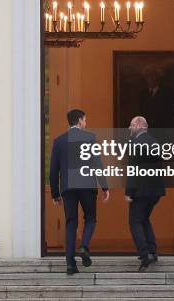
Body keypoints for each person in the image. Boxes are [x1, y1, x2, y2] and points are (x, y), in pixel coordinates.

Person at [49, 109, 109, 275]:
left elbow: (53, 170)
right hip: (87, 185)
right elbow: (97, 163)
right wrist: (104, 186)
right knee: (90, 218)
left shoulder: (59, 141)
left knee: (71, 223)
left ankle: (70, 264)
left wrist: (55, 193)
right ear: (80, 120)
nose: (85, 122)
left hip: (68, 188)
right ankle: (83, 246)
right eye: (85, 119)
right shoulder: (89, 138)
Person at [125, 116, 165, 272]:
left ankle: (145, 253)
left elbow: (133, 170)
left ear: (140, 125)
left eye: (131, 125)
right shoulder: (154, 142)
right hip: (155, 190)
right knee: (144, 219)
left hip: (140, 191)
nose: (129, 128)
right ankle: (152, 251)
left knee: (134, 221)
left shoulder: (136, 143)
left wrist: (129, 192)